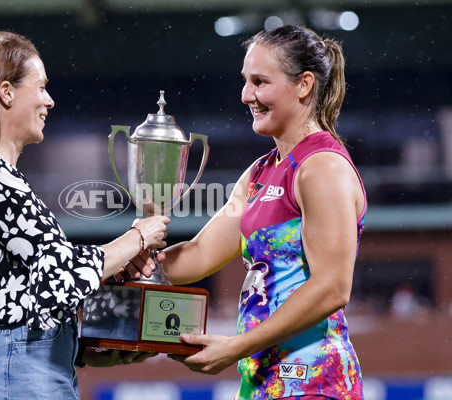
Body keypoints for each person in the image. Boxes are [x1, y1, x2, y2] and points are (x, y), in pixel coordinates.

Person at [127, 25, 366, 399]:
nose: (246, 95)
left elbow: (333, 287)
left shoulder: (322, 167)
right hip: (263, 382)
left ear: (304, 85)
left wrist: (237, 346)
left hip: (313, 380)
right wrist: (133, 257)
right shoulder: (260, 172)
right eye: (245, 81)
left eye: (259, 82)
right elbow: (202, 254)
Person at [0, 30, 169, 400]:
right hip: (15, 368)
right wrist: (139, 236)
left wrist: (82, 350)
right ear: (6, 92)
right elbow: (59, 270)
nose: (49, 100)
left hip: (22, 365)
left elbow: (38, 288)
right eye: (41, 87)